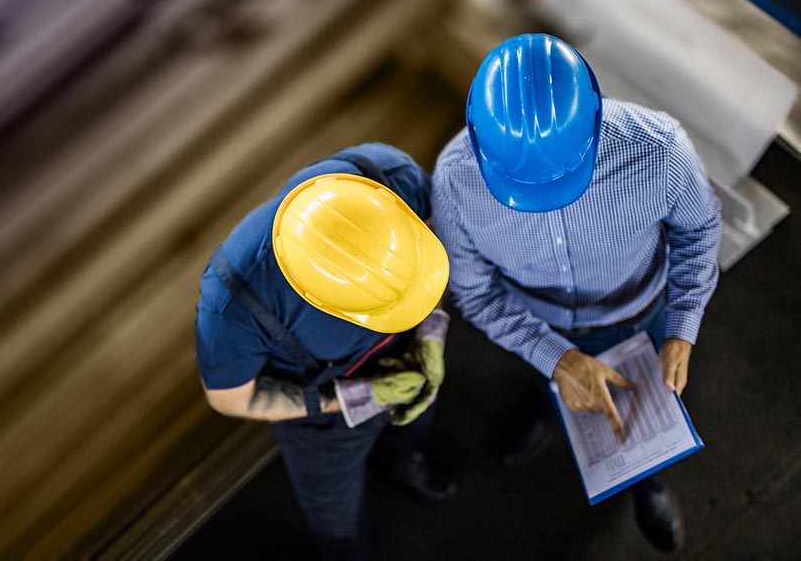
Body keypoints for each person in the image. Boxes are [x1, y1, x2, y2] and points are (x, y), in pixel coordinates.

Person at [431, 33, 721, 553]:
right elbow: (475, 294)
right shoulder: (454, 182)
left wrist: (682, 325)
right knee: (553, 381)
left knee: (641, 412)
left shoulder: (660, 151)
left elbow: (700, 231)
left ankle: (646, 479)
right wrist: (556, 359)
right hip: (540, 324)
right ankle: (549, 402)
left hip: (642, 314)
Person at [195, 143, 456, 561]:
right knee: (335, 513)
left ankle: (401, 462)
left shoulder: (388, 175)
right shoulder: (233, 305)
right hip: (325, 412)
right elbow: (230, 398)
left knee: (412, 427)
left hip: (410, 356)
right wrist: (359, 397)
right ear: (325, 303)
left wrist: (430, 335)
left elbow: (433, 247)